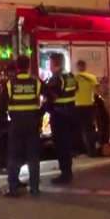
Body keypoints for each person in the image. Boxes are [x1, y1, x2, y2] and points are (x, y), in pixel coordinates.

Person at [4, 55, 42, 197]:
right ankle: (35, 188)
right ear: (28, 66)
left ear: (17, 67)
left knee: (14, 156)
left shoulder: (10, 84)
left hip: (16, 124)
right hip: (32, 123)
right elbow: (51, 96)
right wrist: (39, 113)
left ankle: (13, 188)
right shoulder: (36, 82)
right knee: (33, 157)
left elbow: (1, 105)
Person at [44, 53, 78, 184]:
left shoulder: (57, 79)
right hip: (70, 114)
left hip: (59, 116)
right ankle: (67, 172)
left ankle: (65, 174)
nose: (49, 66)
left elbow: (52, 97)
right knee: (67, 145)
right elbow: (75, 90)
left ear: (55, 64)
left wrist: (43, 108)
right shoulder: (70, 76)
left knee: (61, 146)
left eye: (50, 63)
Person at [74, 60, 99, 157]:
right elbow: (97, 91)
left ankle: (80, 151)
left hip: (77, 105)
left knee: (78, 129)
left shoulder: (74, 78)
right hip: (89, 105)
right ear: (85, 66)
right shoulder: (91, 77)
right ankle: (91, 151)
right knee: (89, 129)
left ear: (77, 67)